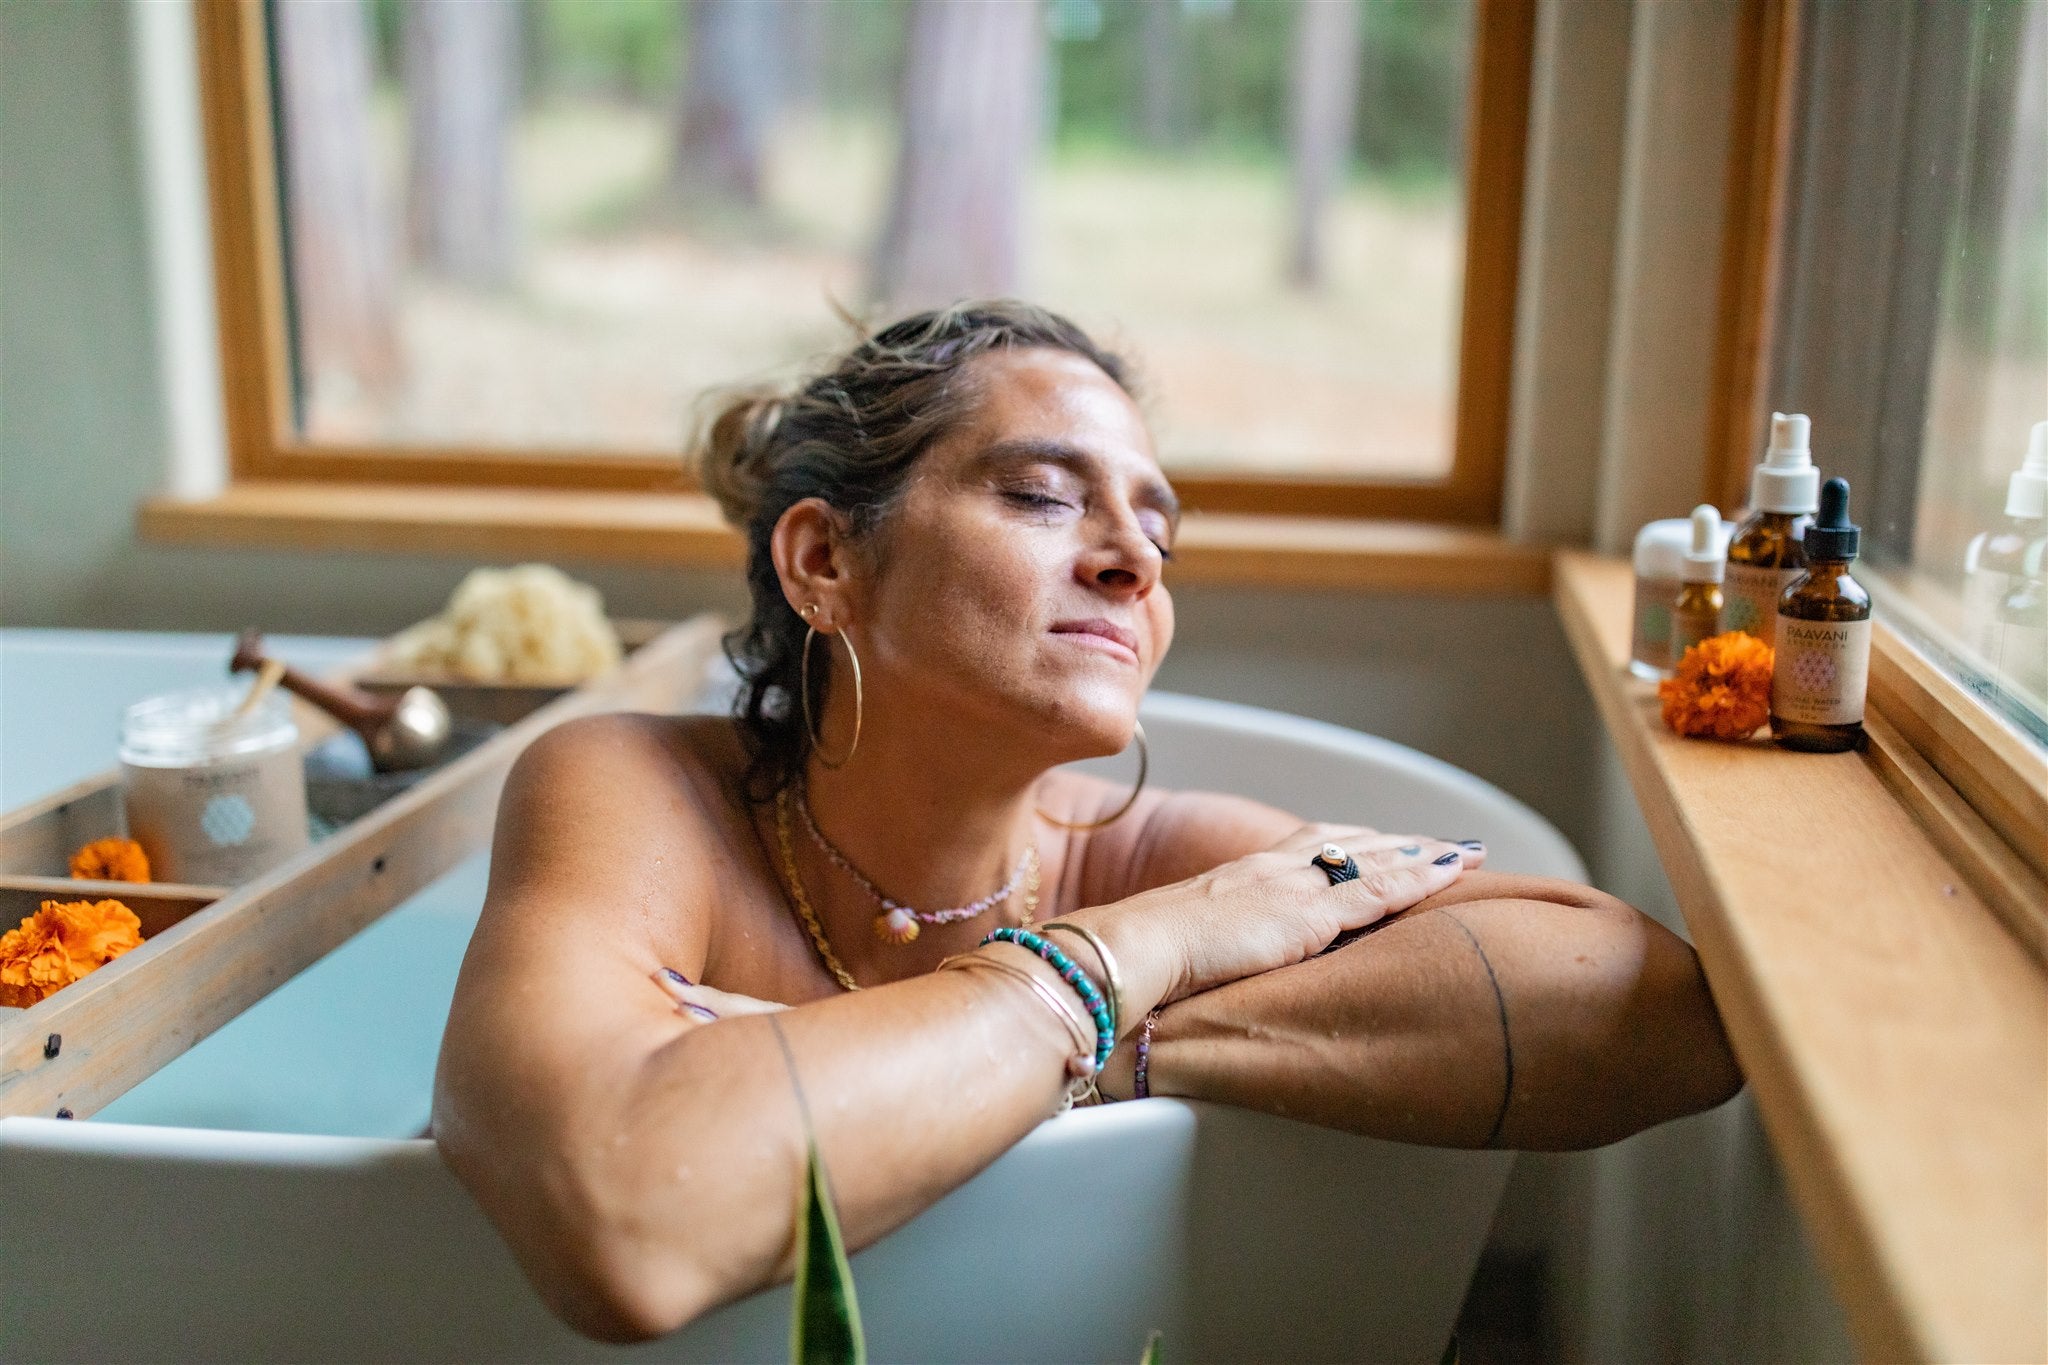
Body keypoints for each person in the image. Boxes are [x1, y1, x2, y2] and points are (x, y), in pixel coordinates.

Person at [432, 301, 1742, 1343]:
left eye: (1154, 522)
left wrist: (1089, 1035)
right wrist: (1117, 962)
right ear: (825, 560)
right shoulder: (638, 792)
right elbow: (624, 1216)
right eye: (1045, 497)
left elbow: (1648, 1007)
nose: (1135, 558)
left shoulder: (1154, 856)